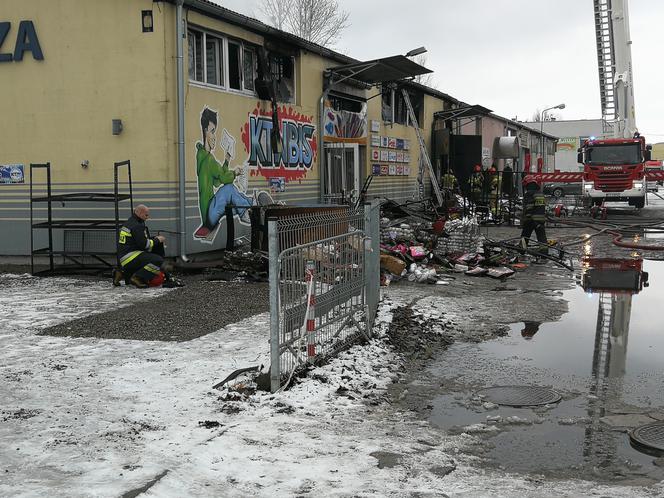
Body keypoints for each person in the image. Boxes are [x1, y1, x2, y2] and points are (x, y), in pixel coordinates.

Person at [194, 107, 252, 239]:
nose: (214, 136)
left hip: (209, 211)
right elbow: (225, 179)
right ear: (205, 131)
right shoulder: (208, 159)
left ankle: (251, 204)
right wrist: (235, 172)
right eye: (212, 132)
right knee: (229, 189)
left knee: (231, 196)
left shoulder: (202, 155)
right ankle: (248, 209)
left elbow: (217, 181)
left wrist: (227, 159)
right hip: (210, 212)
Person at [113, 204, 181, 288]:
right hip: (130, 256)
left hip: (125, 256)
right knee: (158, 260)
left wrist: (155, 239)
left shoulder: (131, 222)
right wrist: (158, 240)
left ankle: (121, 273)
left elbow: (139, 240)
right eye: (146, 215)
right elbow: (144, 245)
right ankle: (138, 278)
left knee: (129, 279)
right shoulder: (137, 225)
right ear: (140, 213)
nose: (148, 217)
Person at [520, 181, 548, 259]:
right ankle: (544, 252)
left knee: (525, 236)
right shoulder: (540, 193)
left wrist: (527, 218)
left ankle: (521, 249)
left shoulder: (529, 194)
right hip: (540, 219)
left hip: (531, 219)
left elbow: (529, 207)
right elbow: (542, 207)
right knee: (542, 237)